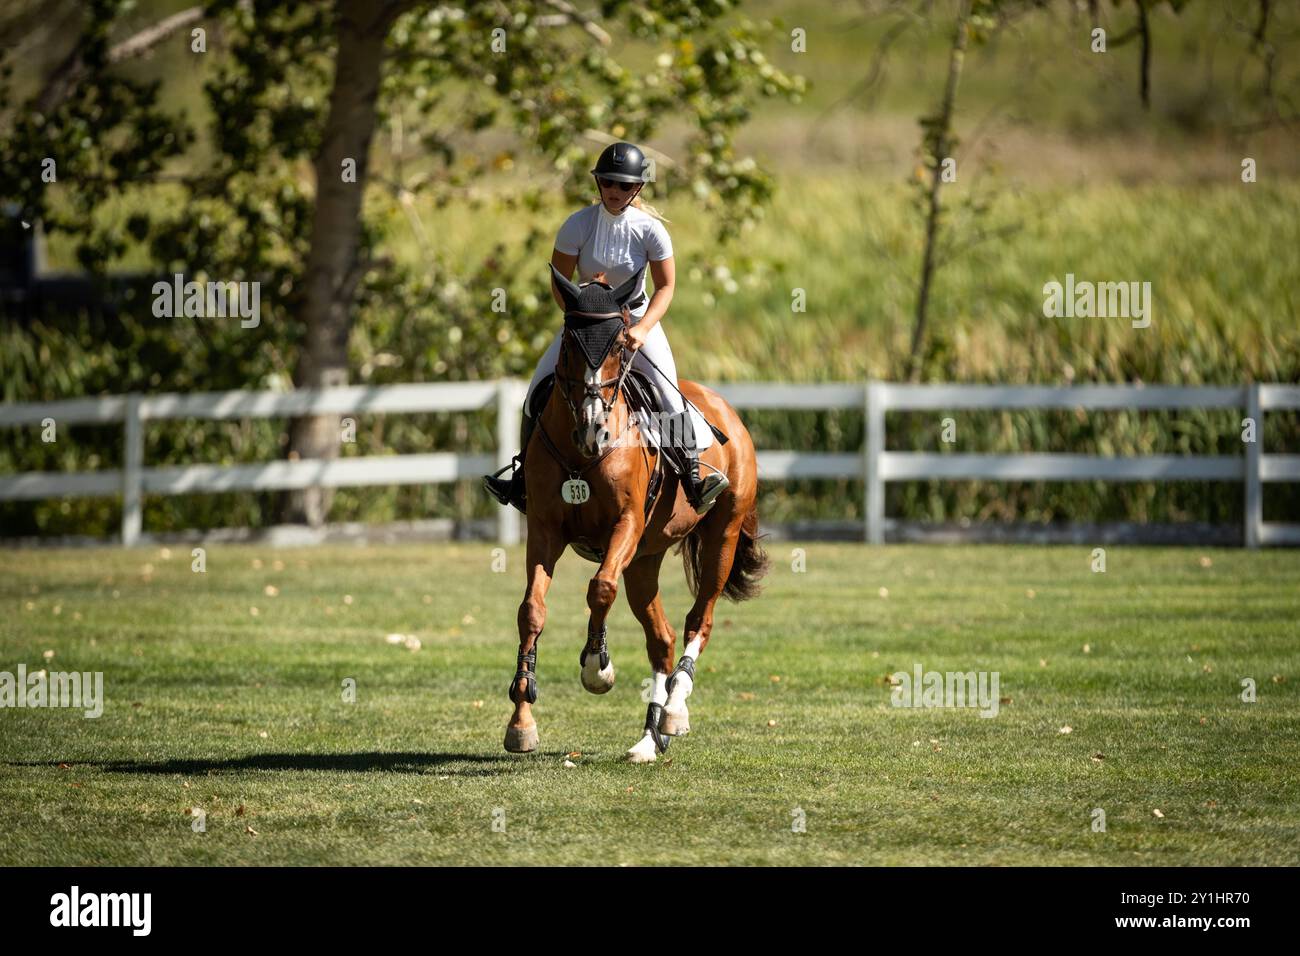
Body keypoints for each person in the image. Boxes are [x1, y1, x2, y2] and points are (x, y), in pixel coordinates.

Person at [483, 141, 728, 515]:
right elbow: (558, 282)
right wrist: (579, 319)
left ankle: (694, 476)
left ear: (638, 189)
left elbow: (665, 287)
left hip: (635, 321)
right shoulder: (577, 225)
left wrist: (644, 328)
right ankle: (521, 479)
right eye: (608, 183)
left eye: (624, 186)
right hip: (585, 325)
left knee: (667, 393)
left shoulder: (651, 231)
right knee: (537, 387)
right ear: (599, 184)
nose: (615, 192)